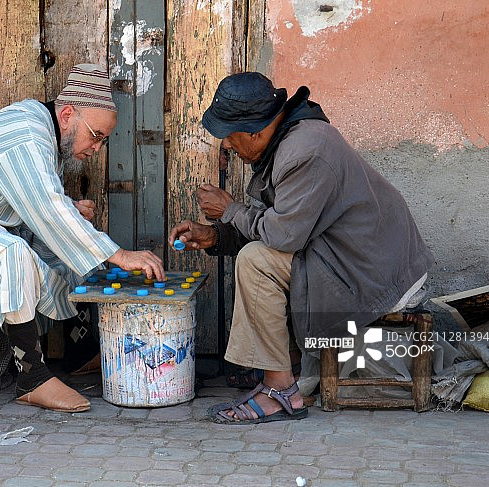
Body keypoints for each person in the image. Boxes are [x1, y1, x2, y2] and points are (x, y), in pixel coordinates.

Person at [168, 72, 433, 424]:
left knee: (255, 262)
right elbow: (279, 223)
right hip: (346, 257)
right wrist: (216, 235)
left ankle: (280, 390)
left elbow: (282, 237)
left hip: (377, 275)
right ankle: (284, 369)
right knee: (257, 256)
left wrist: (230, 210)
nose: (227, 146)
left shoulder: (305, 150)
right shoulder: (286, 142)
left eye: (229, 136)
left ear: (255, 130)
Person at [0, 64, 165, 413]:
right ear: (68, 114)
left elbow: (34, 201)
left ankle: (79, 350)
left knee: (53, 245)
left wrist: (67, 209)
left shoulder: (40, 132)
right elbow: (45, 207)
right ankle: (32, 377)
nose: (97, 148)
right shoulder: (26, 131)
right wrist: (118, 254)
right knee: (11, 252)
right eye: (96, 135)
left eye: (103, 140)